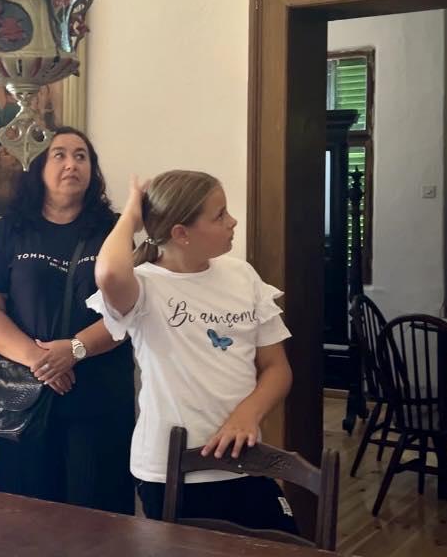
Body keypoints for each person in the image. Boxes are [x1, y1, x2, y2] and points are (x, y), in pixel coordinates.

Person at [87, 170, 297, 533]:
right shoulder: (143, 286)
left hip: (246, 462)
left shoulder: (242, 276)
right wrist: (132, 215)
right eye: (220, 215)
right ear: (181, 234)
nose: (232, 222)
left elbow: (277, 368)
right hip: (170, 473)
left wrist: (247, 415)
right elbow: (108, 274)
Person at [0, 127, 135, 514]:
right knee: (24, 515)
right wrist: (40, 361)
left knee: (98, 515)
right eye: (59, 154)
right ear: (39, 166)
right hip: (24, 396)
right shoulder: (11, 228)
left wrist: (74, 350)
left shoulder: (113, 230)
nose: (71, 164)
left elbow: (129, 311)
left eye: (81, 156)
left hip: (98, 393)